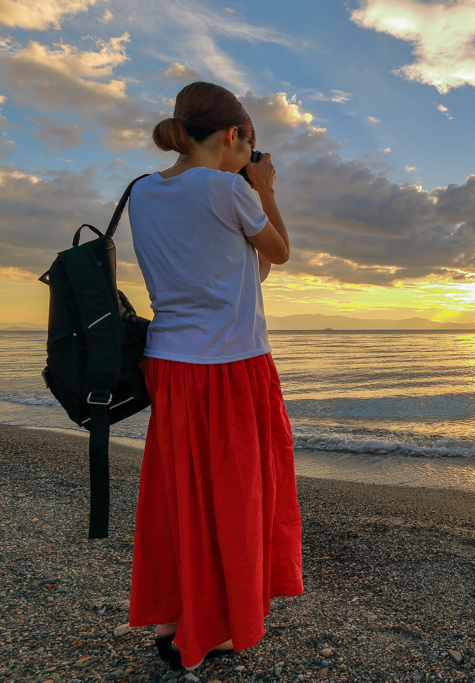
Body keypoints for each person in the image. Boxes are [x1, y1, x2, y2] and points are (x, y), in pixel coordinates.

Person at [126, 81, 303, 671]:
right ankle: (221, 628)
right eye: (247, 147)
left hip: (171, 365)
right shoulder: (229, 189)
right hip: (231, 366)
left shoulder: (143, 192)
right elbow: (279, 252)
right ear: (234, 137)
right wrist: (266, 188)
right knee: (235, 496)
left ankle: (178, 618)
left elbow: (244, 274)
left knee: (184, 494)